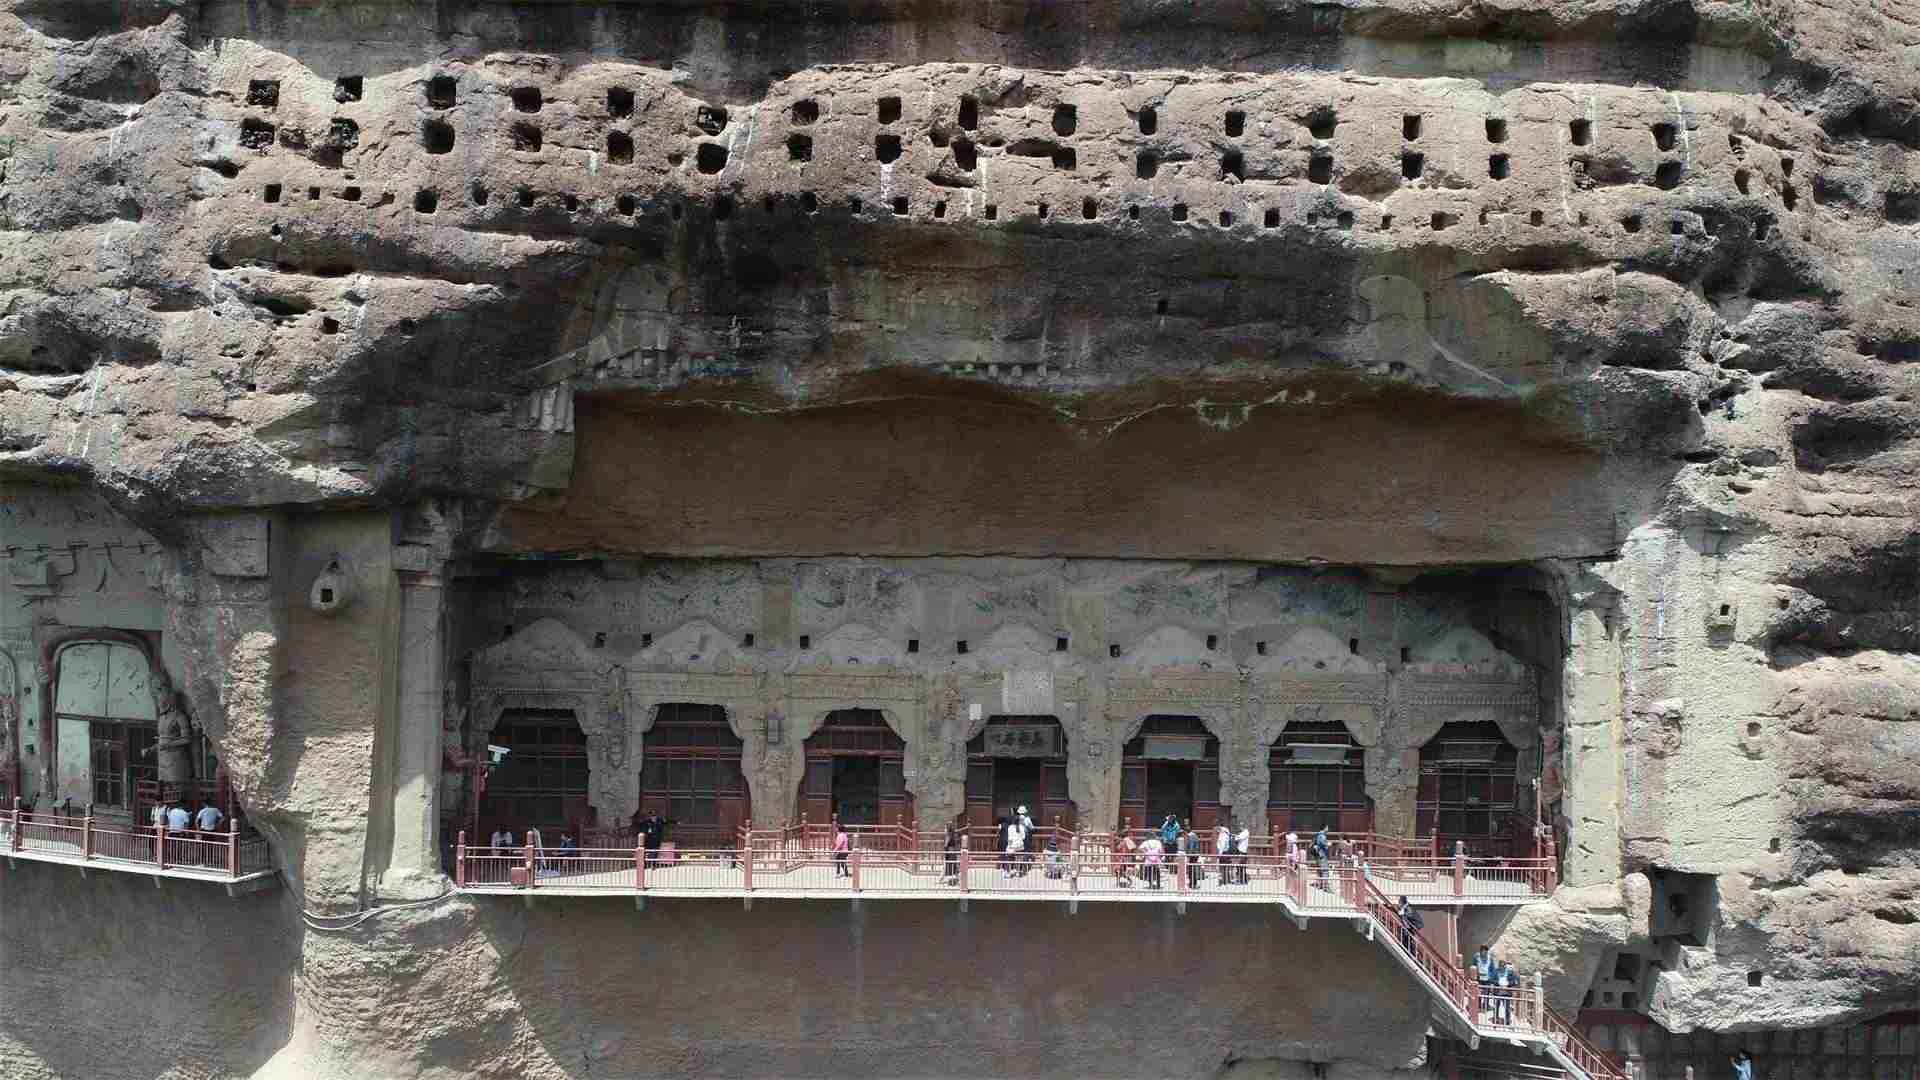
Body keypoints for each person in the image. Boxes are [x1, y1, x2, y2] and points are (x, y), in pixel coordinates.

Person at [1473, 944, 1495, 1021]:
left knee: (1486, 994)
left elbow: (1492, 969)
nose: (1484, 953)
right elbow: (1474, 966)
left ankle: (1485, 1007)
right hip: (1479, 979)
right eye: (1483, 951)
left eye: (1486, 951)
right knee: (1478, 993)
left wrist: (1491, 979)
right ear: (1480, 951)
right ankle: (1478, 1007)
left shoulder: (1490, 958)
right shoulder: (1476, 957)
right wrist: (1476, 974)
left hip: (1487, 979)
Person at [1233, 820, 1252, 885]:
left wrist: (1235, 836)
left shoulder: (1245, 832)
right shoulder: (1243, 832)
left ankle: (1242, 881)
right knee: (1240, 867)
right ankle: (1242, 880)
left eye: (1241, 826)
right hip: (1240, 851)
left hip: (1242, 851)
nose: (1240, 827)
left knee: (1241, 867)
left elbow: (1237, 838)